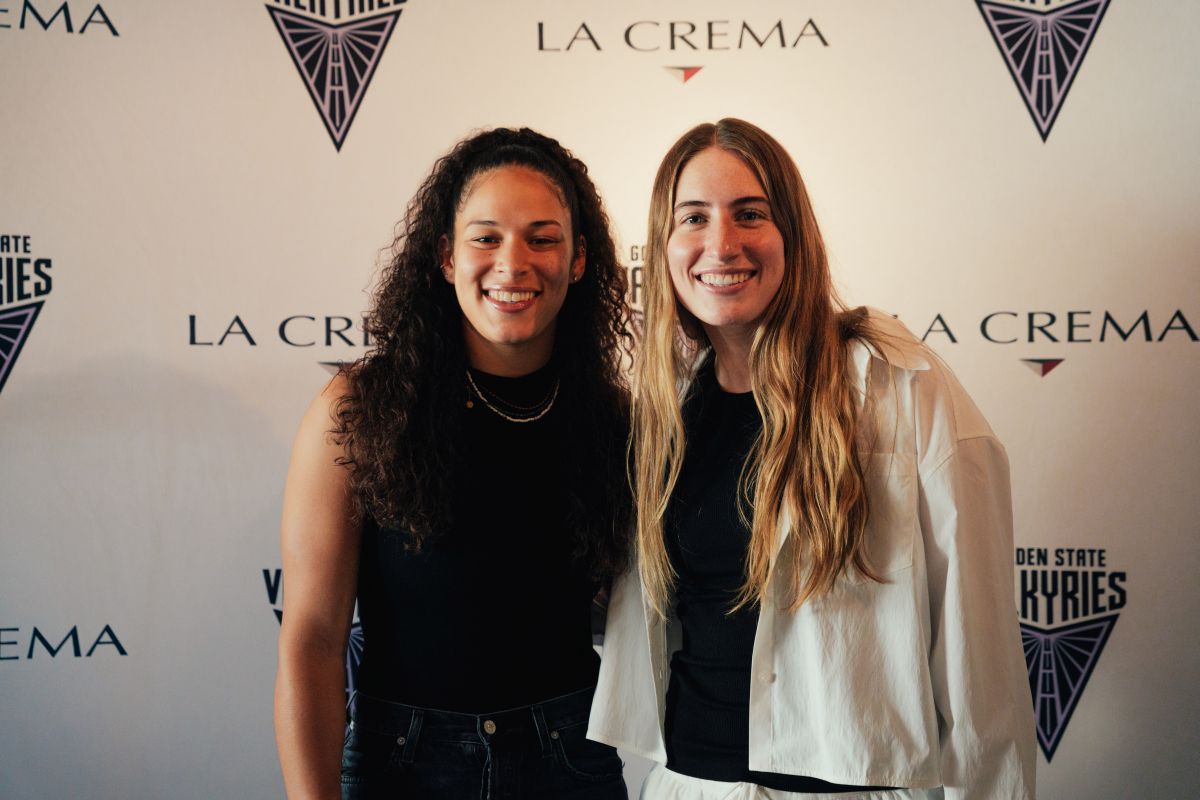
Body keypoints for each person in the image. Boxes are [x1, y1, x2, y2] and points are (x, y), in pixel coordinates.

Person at [588, 118, 1036, 799]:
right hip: (687, 785)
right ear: (665, 244)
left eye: (750, 215)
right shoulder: (663, 415)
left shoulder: (900, 384)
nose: (722, 244)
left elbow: (982, 664)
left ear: (793, 234)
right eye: (693, 218)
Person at [275, 127, 632, 800]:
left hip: (570, 762)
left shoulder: (612, 421)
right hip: (402, 768)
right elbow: (314, 640)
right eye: (486, 236)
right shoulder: (362, 408)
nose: (513, 262)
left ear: (580, 259)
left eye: (543, 237)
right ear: (444, 256)